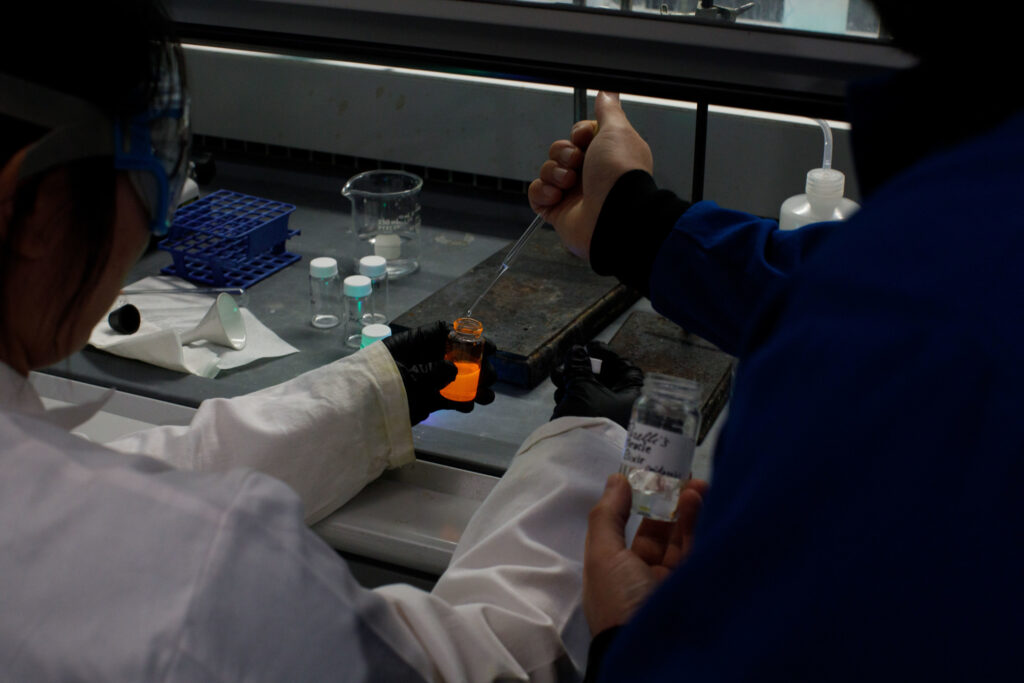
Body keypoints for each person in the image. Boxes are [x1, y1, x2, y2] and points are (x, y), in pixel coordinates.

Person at [0, 2, 622, 680]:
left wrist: (372, 396)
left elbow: (119, 483)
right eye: (152, 165)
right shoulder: (201, 581)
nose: (160, 221)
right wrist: (583, 455)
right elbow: (477, 666)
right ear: (43, 207)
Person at [529, 1, 1024, 680]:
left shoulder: (933, 341)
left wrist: (625, 642)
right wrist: (630, 218)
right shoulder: (964, 225)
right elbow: (852, 277)